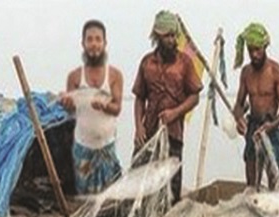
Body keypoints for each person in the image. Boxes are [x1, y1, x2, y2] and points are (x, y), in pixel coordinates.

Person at [132, 10, 203, 202]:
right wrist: (138, 127)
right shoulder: (147, 63)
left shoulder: (185, 63)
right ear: (157, 37)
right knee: (138, 181)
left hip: (173, 133)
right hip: (148, 133)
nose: (172, 40)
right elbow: (139, 98)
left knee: (172, 186)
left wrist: (175, 113)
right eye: (168, 36)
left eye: (174, 35)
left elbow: (195, 96)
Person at [60, 19, 124, 195]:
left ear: (105, 43)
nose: (94, 44)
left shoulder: (114, 75)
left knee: (110, 197)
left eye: (98, 39)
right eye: (90, 39)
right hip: (83, 147)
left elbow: (117, 108)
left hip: (106, 147)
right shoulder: (74, 76)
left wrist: (104, 106)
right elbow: (71, 111)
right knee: (85, 199)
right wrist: (67, 104)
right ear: (83, 43)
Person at [232, 23, 279, 190]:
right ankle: (252, 200)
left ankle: (272, 202)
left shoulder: (276, 71)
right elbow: (239, 105)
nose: (254, 55)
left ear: (265, 47)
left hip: (270, 126)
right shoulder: (246, 73)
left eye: (257, 50)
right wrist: (239, 119)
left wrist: (271, 125)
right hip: (253, 126)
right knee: (250, 169)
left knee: (273, 170)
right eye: (250, 50)